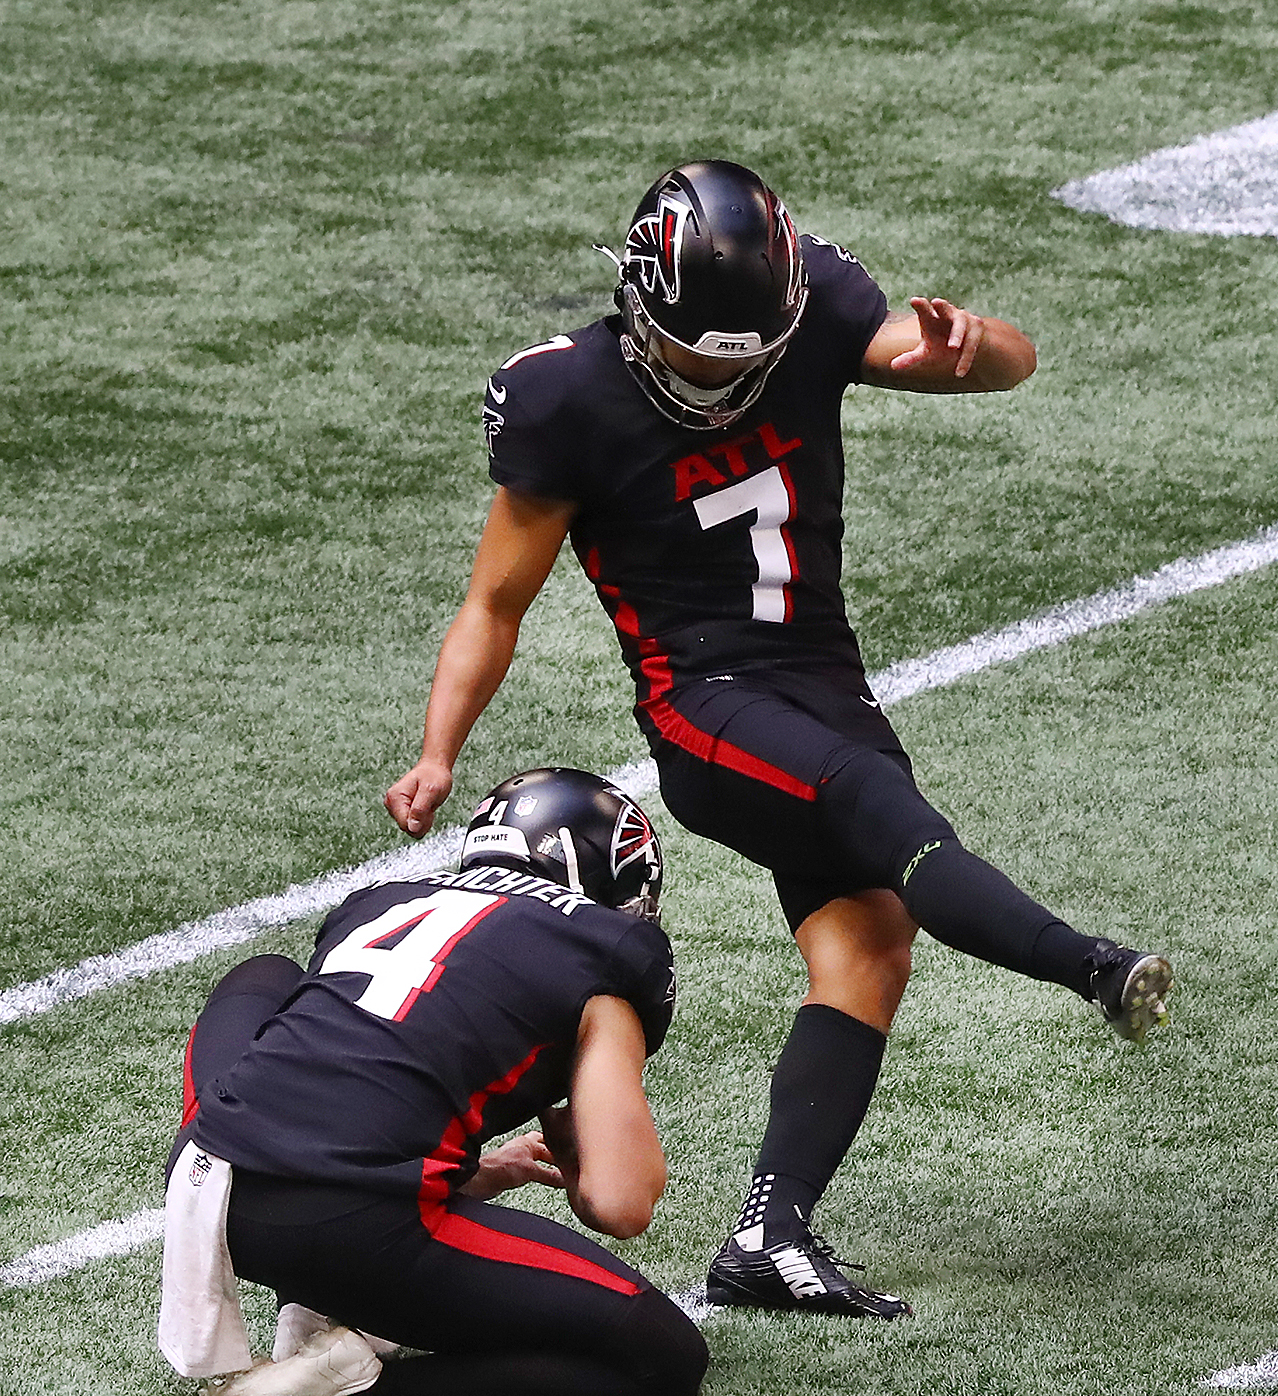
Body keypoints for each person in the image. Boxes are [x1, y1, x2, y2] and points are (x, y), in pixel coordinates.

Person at [380, 159, 1172, 1321]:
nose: (731, 377)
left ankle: (769, 1235)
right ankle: (1091, 966)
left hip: (819, 681)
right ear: (642, 305)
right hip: (705, 709)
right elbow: (494, 603)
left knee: (868, 950)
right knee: (880, 813)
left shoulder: (808, 316)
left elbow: (1004, 363)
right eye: (707, 353)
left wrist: (976, 343)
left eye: (754, 352)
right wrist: (442, 748)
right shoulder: (567, 397)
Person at [165, 768, 704, 1396]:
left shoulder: (380, 900)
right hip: (355, 1223)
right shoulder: (604, 952)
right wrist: (570, 1143)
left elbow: (351, 1071)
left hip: (213, 1182)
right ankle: (351, 1384)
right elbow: (621, 1204)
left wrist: (464, 1172)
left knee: (268, 973)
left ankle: (308, 1299)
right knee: (665, 1356)